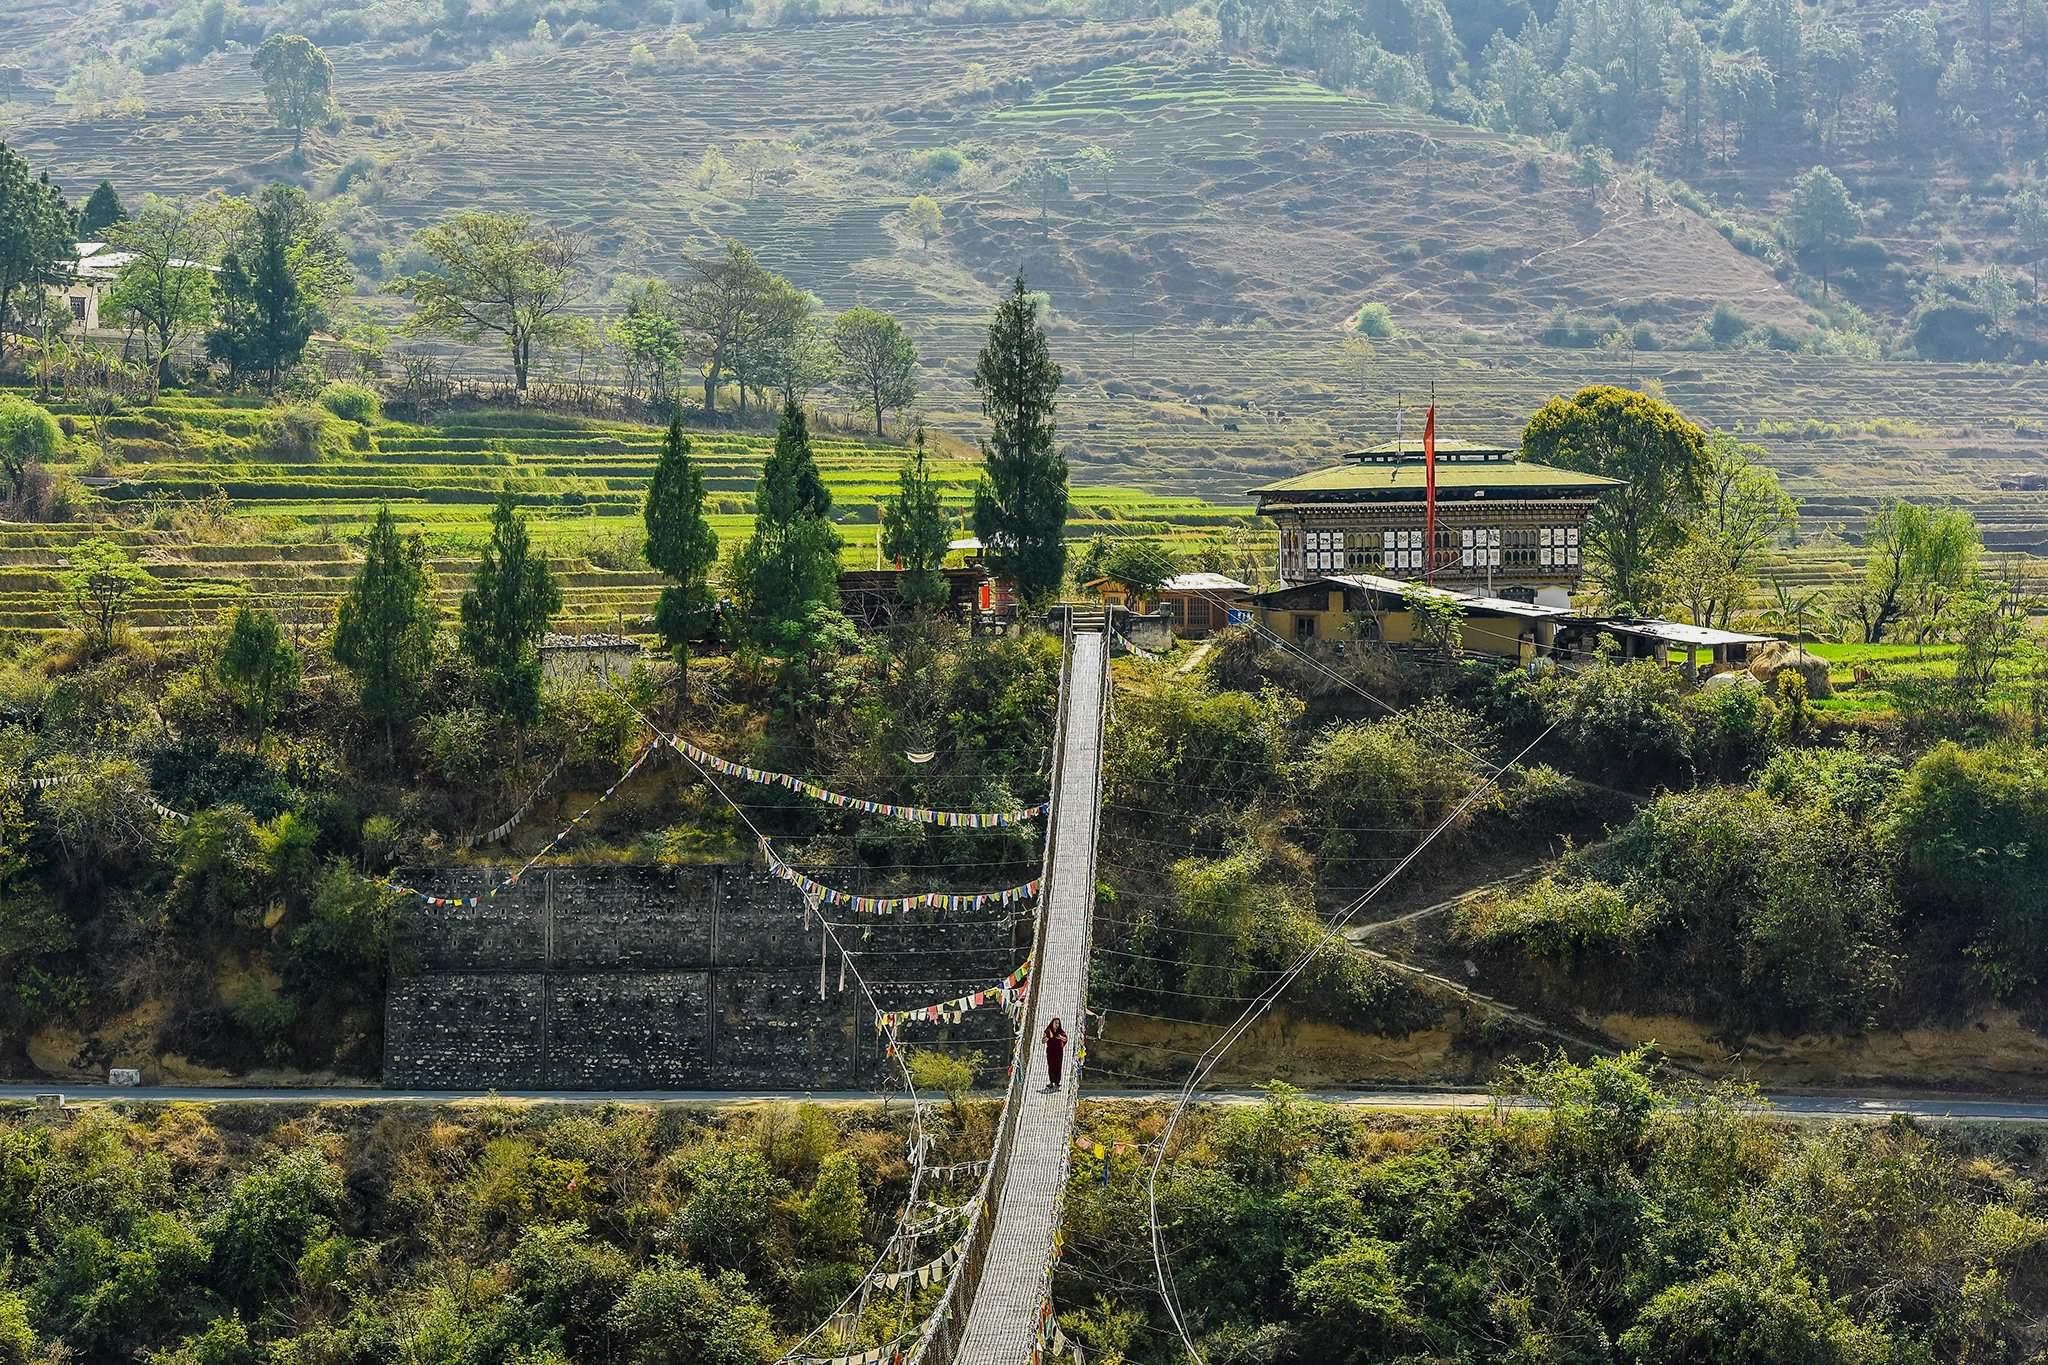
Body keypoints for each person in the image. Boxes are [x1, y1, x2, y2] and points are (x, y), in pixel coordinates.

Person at [1042, 1017, 1068, 1091]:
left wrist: (1060, 1037)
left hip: (1059, 1051)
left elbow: (1066, 1039)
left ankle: (1057, 1082)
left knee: (1058, 1066)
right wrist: (1046, 1039)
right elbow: (1043, 1040)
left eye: (1058, 1023)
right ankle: (1051, 1081)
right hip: (1050, 1051)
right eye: (1055, 1023)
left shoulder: (1060, 1031)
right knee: (1051, 1066)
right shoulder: (1048, 1030)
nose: (1057, 1024)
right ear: (1052, 1023)